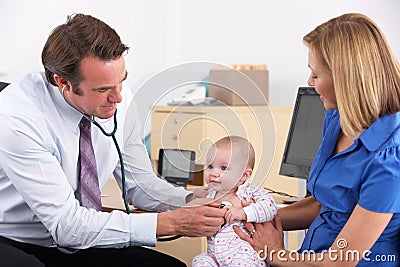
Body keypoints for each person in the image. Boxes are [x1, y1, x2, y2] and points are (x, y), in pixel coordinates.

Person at [0, 14, 226, 267]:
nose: (117, 97)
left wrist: (194, 200)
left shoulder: (118, 96)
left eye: (122, 81)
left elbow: (139, 185)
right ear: (62, 81)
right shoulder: (17, 119)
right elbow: (67, 226)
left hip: (85, 238)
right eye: (102, 89)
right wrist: (172, 222)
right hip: (18, 239)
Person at [234, 13, 400, 266]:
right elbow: (323, 205)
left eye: (316, 75)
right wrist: (244, 215)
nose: (309, 82)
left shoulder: (390, 159)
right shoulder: (337, 119)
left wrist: (275, 253)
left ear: (347, 81)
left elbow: (340, 262)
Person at [191, 136, 278, 267]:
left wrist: (243, 213)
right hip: (215, 255)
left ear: (244, 175)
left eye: (223, 168)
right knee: (200, 260)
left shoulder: (249, 192)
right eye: (210, 166)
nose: (214, 173)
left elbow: (270, 208)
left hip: (244, 254)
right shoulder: (210, 193)